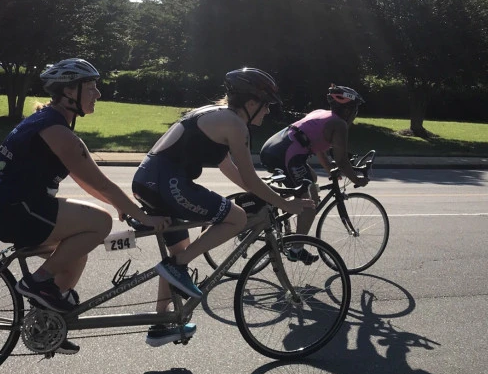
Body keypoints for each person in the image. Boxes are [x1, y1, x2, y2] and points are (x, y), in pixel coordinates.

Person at [0, 58, 169, 354]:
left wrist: (126, 209)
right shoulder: (58, 132)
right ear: (69, 91)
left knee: (77, 251)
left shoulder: (50, 122)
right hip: (14, 209)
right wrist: (143, 216)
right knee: (100, 223)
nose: (98, 94)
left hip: (9, 207)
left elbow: (88, 181)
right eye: (91, 87)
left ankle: (49, 326)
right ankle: (38, 282)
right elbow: (103, 185)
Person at [132, 67, 316, 347]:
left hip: (150, 180)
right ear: (251, 103)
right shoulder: (235, 125)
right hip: (167, 182)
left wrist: (266, 194)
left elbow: (229, 168)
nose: (268, 112)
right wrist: (285, 205)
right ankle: (178, 267)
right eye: (266, 106)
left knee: (178, 250)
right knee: (237, 218)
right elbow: (251, 176)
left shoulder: (213, 115)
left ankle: (161, 322)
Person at [259, 84, 368, 263]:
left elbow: (319, 150)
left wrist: (329, 171)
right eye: (355, 109)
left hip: (275, 147)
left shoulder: (321, 113)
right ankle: (296, 249)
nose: (355, 114)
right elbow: (341, 160)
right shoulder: (339, 124)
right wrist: (357, 180)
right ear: (348, 110)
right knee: (309, 205)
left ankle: (281, 212)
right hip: (285, 155)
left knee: (312, 180)